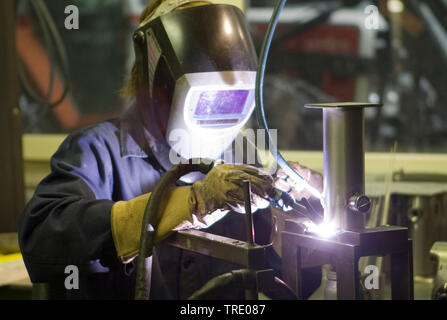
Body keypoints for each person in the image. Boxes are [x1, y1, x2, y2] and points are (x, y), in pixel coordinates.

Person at [18, 0, 322, 300]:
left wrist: (292, 238)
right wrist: (195, 203)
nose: (218, 117)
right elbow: (42, 239)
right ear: (158, 83)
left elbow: (290, 288)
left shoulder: (242, 161)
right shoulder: (99, 152)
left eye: (232, 102)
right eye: (207, 101)